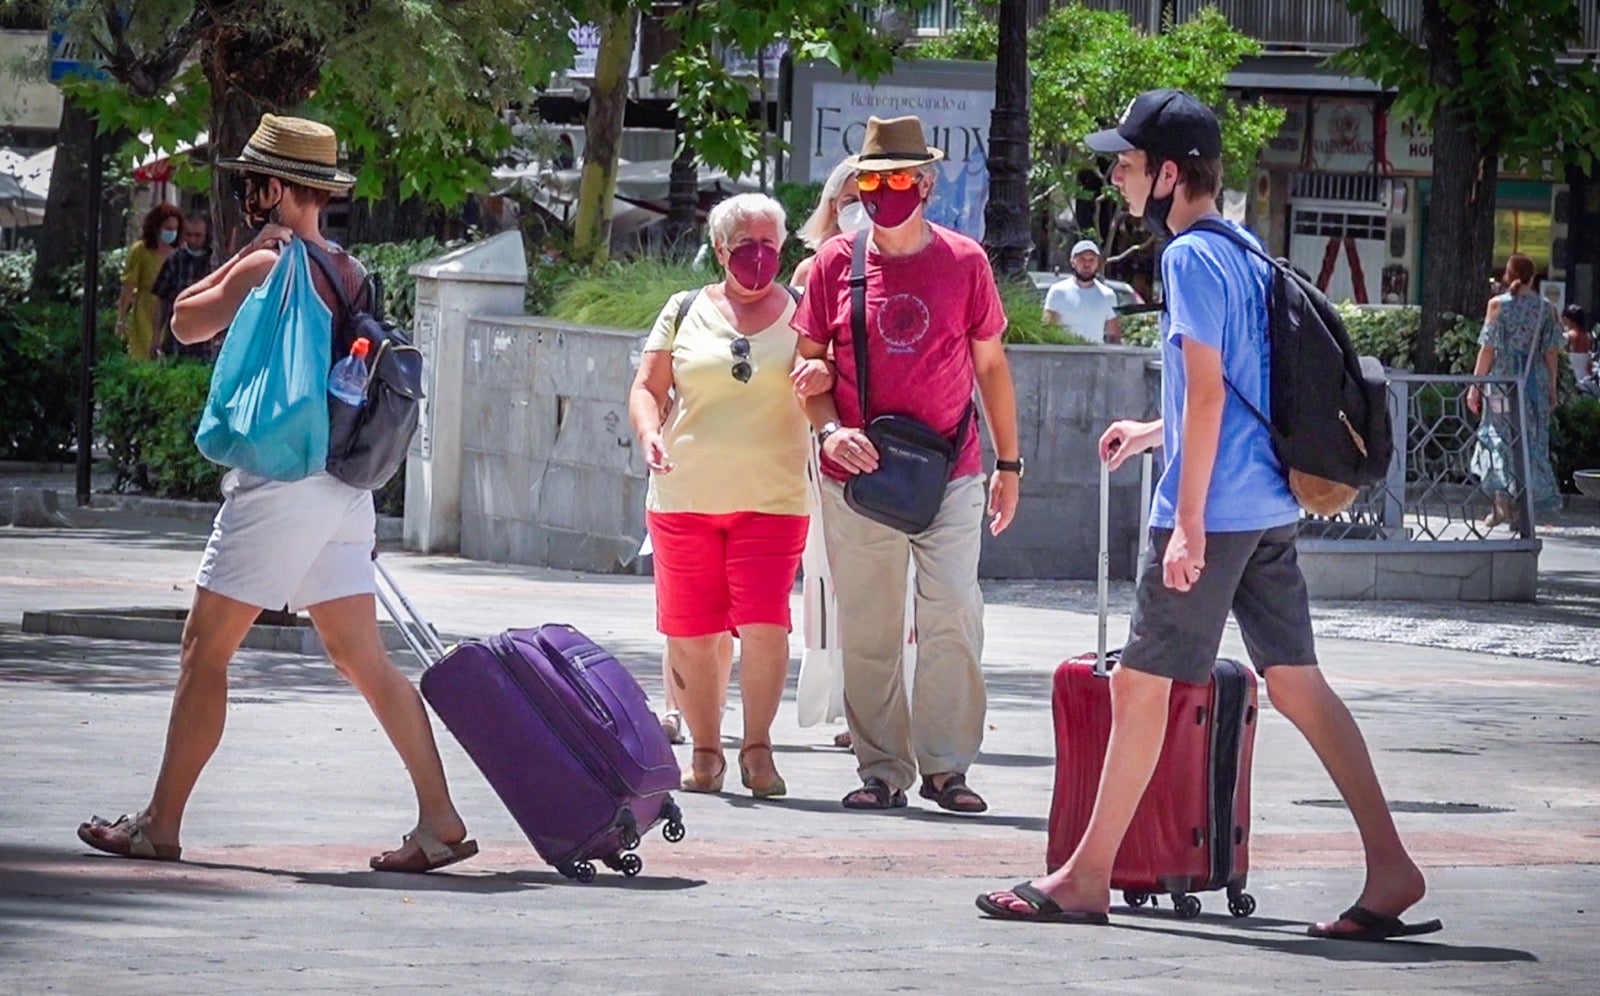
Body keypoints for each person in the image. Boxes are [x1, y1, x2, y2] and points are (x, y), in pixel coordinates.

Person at [978, 89, 1436, 942]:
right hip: (1265, 504)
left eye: (1126, 161)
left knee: (1141, 687)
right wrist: (1157, 429)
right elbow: (1235, 384)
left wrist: (1185, 523)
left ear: (1170, 174)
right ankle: (1391, 866)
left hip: (1216, 510)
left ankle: (1084, 878)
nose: (1116, 173)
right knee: (1296, 685)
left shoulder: (1188, 257)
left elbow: (1213, 386)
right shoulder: (1244, 247)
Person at [76, 114, 476, 874]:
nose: (246, 193)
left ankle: (160, 823)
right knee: (361, 655)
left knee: (204, 650)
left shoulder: (273, 263)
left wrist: (239, 260)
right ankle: (440, 818)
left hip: (282, 483)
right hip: (341, 485)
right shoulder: (347, 266)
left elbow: (188, 322)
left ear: (278, 188)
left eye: (252, 182)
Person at [792, 115, 1022, 814]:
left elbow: (991, 365)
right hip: (860, 474)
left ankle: (948, 766)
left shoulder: (964, 261)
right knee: (869, 623)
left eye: (895, 178)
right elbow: (810, 367)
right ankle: (881, 770)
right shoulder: (836, 265)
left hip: (952, 470)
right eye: (869, 179)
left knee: (953, 610)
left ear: (925, 183)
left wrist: (1009, 466)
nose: (880, 191)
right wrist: (828, 430)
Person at [628, 192, 833, 798]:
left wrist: (822, 376)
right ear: (720, 250)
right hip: (684, 496)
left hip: (773, 499)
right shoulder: (683, 309)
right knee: (691, 629)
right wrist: (647, 433)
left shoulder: (802, 311)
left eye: (772, 244)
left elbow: (828, 380)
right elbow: (647, 386)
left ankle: (758, 749)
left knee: (765, 621)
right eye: (747, 246)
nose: (761, 256)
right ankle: (706, 751)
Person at [1467, 255, 1565, 527]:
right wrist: (1552, 388)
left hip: (1501, 382)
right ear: (1534, 277)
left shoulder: (1497, 306)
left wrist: (1475, 386)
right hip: (1533, 383)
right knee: (1530, 442)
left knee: (1497, 436)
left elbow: (1487, 349)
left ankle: (1500, 506)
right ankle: (1524, 511)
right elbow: (1551, 353)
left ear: (1508, 276)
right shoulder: (1546, 308)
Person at [115, 203, 184, 360]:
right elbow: (128, 287)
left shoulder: (179, 253)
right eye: (168, 228)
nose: (171, 232)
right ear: (156, 227)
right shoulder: (140, 250)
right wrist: (121, 319)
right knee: (144, 357)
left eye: (175, 228)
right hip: (145, 312)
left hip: (171, 311)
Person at [790, 161, 867, 288]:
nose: (860, 210)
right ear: (833, 208)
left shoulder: (892, 268)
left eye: (868, 200)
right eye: (851, 201)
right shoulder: (810, 270)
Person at [153, 212, 218, 360]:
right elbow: (161, 300)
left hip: (206, 341)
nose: (192, 240)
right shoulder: (175, 259)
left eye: (198, 235)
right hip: (176, 340)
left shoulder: (214, 260)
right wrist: (156, 335)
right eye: (189, 235)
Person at [1043, 239, 1123, 343]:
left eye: (1091, 260)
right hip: (1065, 356)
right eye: (1082, 259)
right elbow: (1048, 328)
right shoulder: (1058, 291)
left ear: (1097, 263)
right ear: (1073, 262)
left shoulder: (1108, 295)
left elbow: (1114, 335)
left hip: (1095, 357)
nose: (1087, 264)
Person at [1560, 304, 1593, 384]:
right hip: (1585, 380)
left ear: (1569, 319)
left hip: (1570, 381)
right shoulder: (1588, 337)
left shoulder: (1567, 337)